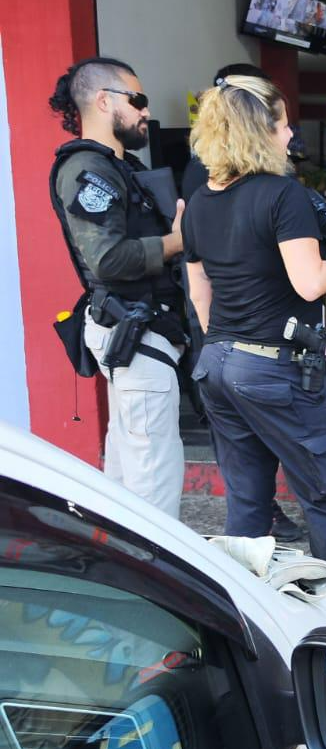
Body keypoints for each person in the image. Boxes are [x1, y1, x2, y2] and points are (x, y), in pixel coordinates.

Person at [182, 74, 326, 573]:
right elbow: (310, 283)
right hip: (274, 368)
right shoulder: (281, 195)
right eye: (284, 125)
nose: (290, 136)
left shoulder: (200, 201)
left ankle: (249, 625)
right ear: (259, 131)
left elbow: (198, 283)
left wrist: (219, 342)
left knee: (247, 502)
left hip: (218, 363)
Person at [48, 57, 188, 517]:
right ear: (105, 101)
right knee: (154, 478)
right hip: (136, 333)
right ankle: (157, 577)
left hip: (137, 332)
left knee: (133, 471)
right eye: (138, 100)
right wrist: (178, 240)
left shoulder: (118, 166)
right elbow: (108, 260)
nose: (145, 112)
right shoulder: (90, 169)